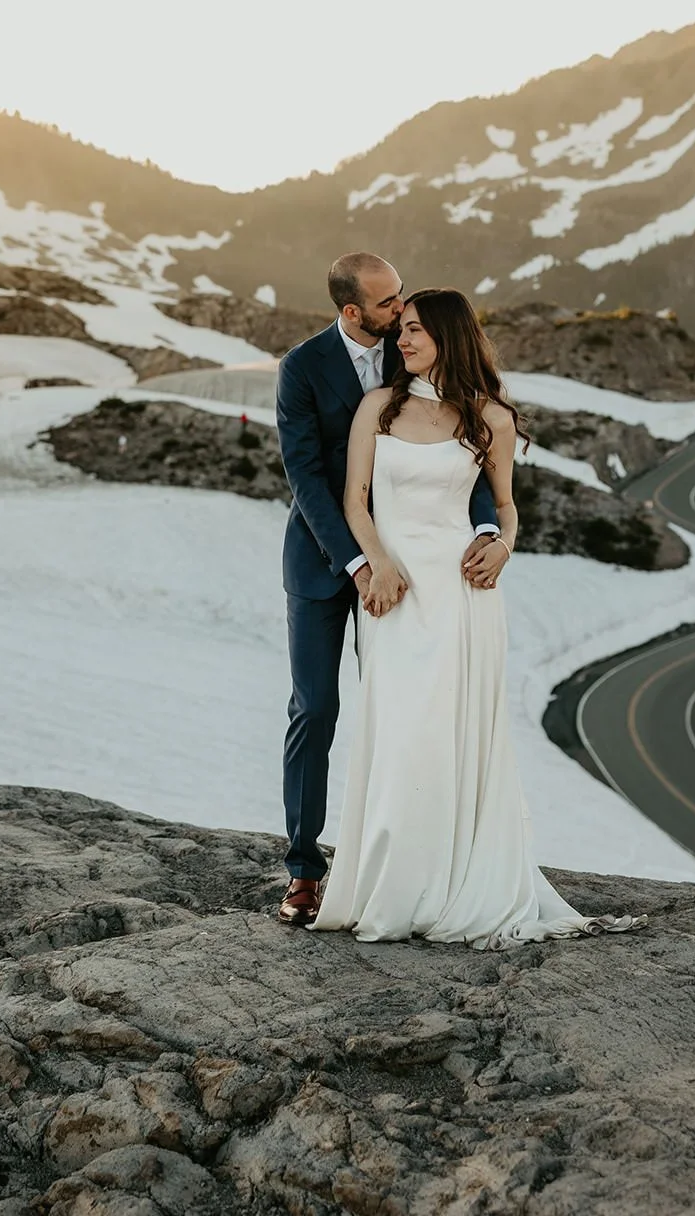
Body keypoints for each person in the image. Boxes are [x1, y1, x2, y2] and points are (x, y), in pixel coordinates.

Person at [311, 287, 647, 947]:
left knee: (451, 734)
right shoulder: (378, 407)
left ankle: (452, 885)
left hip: (463, 596)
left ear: (448, 336)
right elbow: (354, 500)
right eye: (399, 329)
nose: (400, 341)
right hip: (393, 593)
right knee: (398, 732)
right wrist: (376, 563)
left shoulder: (488, 417)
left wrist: (502, 543)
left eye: (413, 331)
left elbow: (504, 504)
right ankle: (389, 886)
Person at [275, 255, 508, 926]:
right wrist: (359, 564)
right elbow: (308, 478)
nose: (401, 312)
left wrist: (490, 528)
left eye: (403, 301)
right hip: (329, 563)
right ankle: (303, 872)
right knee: (315, 711)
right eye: (387, 305)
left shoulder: (415, 350)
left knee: (407, 714)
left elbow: (466, 451)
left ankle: (402, 866)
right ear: (352, 312)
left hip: (418, 567)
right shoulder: (302, 368)